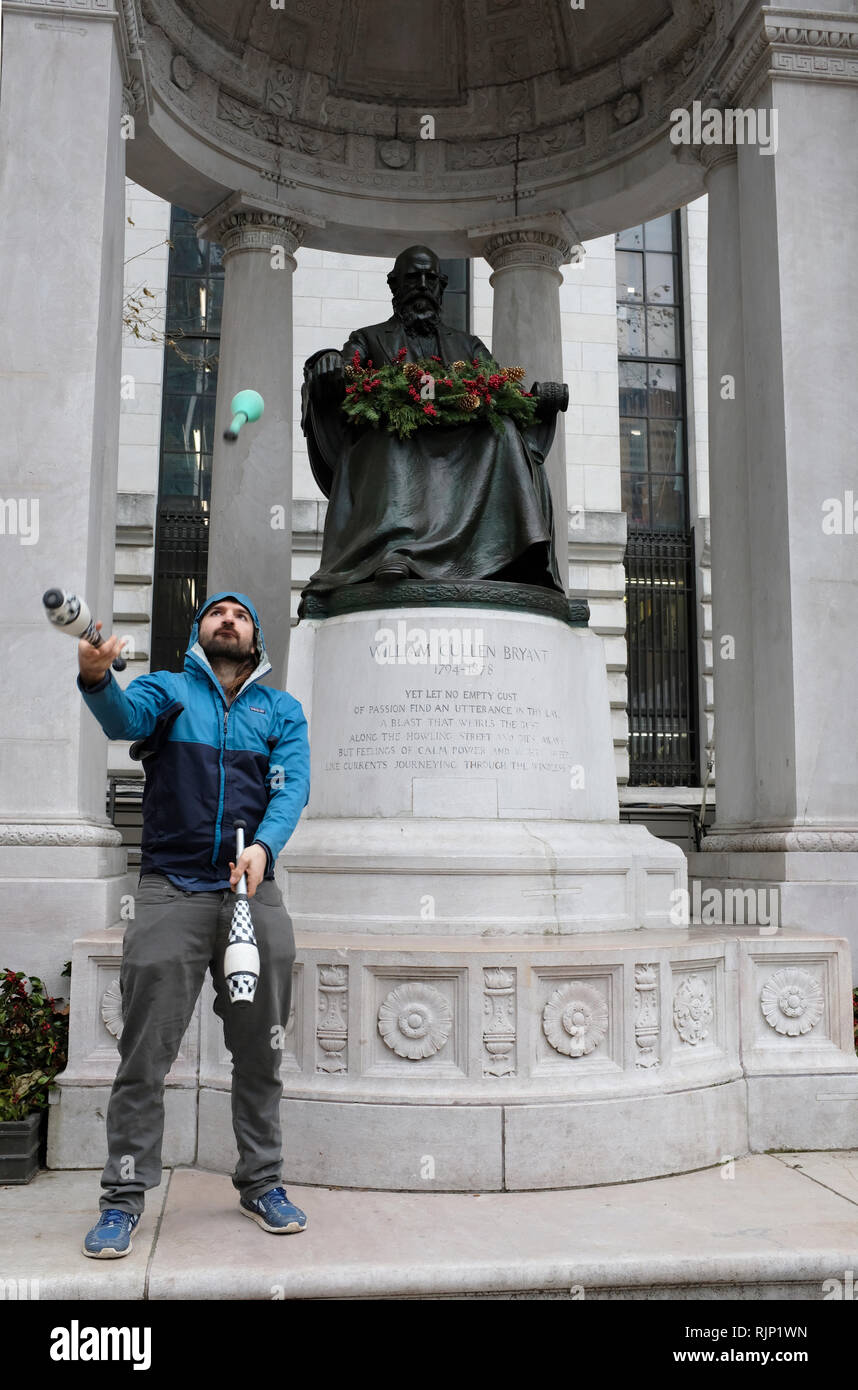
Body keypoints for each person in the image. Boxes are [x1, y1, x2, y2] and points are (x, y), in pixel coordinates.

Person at [76, 592, 310, 1258]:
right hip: (171, 889)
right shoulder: (167, 692)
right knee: (144, 1055)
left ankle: (262, 1183)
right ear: (198, 631)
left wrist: (264, 845)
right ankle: (121, 1201)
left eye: (239, 614)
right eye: (217, 613)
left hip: (251, 891)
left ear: (257, 637)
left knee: (261, 1051)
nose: (228, 619)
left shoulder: (279, 711)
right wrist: (97, 676)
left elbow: (291, 785)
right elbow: (121, 717)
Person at [298, 244, 567, 614]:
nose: (422, 285)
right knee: (394, 432)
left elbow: (502, 389)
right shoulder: (369, 338)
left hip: (463, 443)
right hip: (395, 433)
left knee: (502, 430)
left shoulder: (467, 345)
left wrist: (537, 397)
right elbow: (346, 368)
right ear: (394, 286)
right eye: (412, 278)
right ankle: (393, 549)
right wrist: (323, 361)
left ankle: (510, 556)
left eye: (430, 279)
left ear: (441, 286)